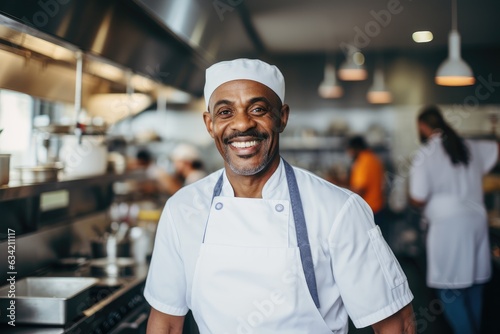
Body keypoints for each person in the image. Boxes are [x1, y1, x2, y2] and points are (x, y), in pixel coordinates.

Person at [144, 58, 415, 334]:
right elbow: (165, 323)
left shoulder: (338, 209)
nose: (242, 124)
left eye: (258, 109)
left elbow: (396, 325)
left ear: (282, 117)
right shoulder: (183, 209)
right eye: (225, 112)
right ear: (209, 123)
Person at [409, 105, 499, 334]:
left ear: (422, 126)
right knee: (474, 284)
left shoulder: (427, 153)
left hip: (448, 226)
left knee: (450, 289)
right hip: (477, 221)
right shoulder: (469, 145)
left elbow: (418, 198)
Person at [346, 135, 386, 234]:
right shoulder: (373, 158)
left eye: (349, 150)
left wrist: (338, 188)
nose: (349, 153)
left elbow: (359, 190)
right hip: (378, 207)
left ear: (356, 148)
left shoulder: (363, 162)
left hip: (369, 211)